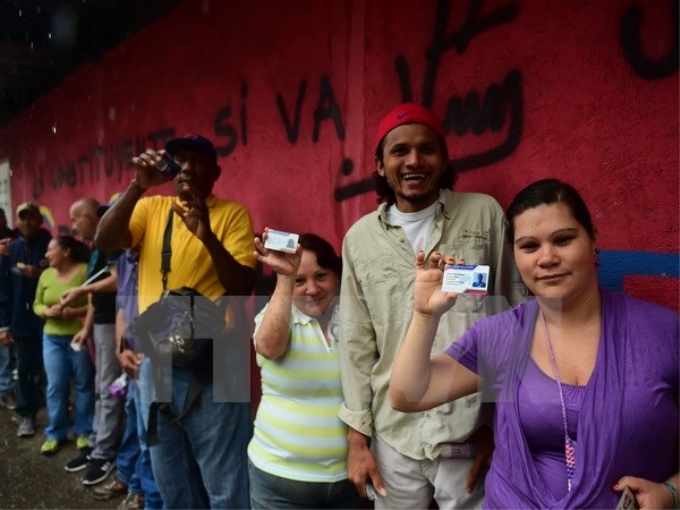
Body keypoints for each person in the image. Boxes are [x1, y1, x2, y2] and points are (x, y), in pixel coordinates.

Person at [390, 178, 679, 509]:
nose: (547, 258)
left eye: (563, 239)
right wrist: (425, 314)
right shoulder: (502, 335)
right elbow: (408, 394)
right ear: (515, 255)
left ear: (592, 239)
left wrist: (671, 492)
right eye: (529, 246)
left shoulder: (661, 330)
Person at [338, 103, 525, 509]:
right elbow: (355, 341)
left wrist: (499, 425)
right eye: (399, 151)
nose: (413, 161)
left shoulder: (483, 214)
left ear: (443, 159)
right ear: (380, 165)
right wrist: (357, 438)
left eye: (426, 149)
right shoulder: (359, 238)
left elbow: (519, 319)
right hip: (394, 436)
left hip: (470, 431)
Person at [94, 133, 257, 509]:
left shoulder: (231, 214)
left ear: (214, 173)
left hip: (214, 364)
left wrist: (207, 237)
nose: (185, 168)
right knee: (169, 477)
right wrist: (137, 186)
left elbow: (242, 286)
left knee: (225, 480)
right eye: (178, 160)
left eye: (196, 161)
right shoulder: (151, 208)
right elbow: (105, 240)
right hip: (157, 361)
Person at [248, 230, 364, 510]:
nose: (311, 288)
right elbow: (267, 346)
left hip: (347, 479)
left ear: (337, 276)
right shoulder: (276, 315)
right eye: (300, 280)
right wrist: (286, 278)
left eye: (321, 276)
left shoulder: (355, 317)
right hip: (278, 480)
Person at [92, 242, 162, 509]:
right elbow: (122, 309)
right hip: (132, 363)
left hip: (155, 363)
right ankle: (132, 482)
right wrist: (122, 349)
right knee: (135, 425)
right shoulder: (123, 260)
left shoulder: (160, 257)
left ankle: (147, 495)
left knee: (151, 437)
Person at [62, 197, 123, 485]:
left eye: (75, 220)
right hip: (100, 323)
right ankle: (98, 444)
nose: (73, 227)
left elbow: (115, 279)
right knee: (102, 386)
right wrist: (86, 328)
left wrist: (80, 290)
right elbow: (94, 298)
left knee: (109, 389)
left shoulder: (110, 241)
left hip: (115, 322)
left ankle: (104, 453)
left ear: (88, 218)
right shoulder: (96, 245)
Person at [32, 235, 94, 454]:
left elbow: (95, 305)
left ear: (66, 251)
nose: (47, 254)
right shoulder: (46, 275)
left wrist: (73, 312)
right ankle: (56, 432)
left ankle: (84, 432)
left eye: (51, 250)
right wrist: (46, 311)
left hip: (79, 338)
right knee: (56, 387)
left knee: (84, 385)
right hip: (51, 338)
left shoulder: (85, 270)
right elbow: (37, 303)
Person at [0, 202, 51, 431]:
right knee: (25, 368)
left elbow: (64, 272)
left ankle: (52, 410)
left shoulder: (51, 244)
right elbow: (5, 290)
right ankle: (27, 414)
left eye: (32, 217)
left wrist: (39, 273)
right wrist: (4, 325)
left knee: (49, 368)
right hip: (21, 319)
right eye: (23, 217)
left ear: (39, 220)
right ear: (17, 222)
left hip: (49, 317)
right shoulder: (11, 249)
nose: (28, 221)